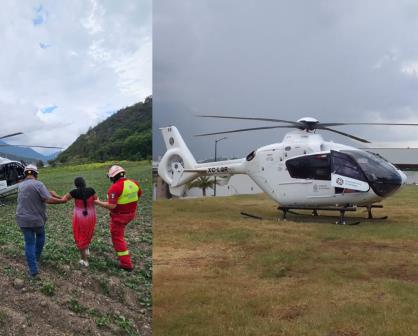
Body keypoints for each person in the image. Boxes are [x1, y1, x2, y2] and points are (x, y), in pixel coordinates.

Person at [16, 164, 65, 277]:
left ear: (25, 174)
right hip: (36, 220)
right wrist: (62, 200)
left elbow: (33, 190)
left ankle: (32, 270)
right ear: (36, 174)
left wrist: (48, 192)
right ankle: (36, 257)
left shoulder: (20, 185)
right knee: (40, 237)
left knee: (29, 243)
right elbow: (48, 199)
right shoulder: (39, 184)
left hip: (22, 219)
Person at [95, 165, 142, 271]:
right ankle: (124, 258)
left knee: (117, 238)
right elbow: (138, 195)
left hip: (119, 217)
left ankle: (126, 264)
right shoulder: (134, 183)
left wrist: (98, 202)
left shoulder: (115, 188)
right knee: (120, 235)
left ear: (113, 177)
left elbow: (112, 206)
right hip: (131, 214)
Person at [60, 177, 97, 267]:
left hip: (80, 218)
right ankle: (87, 249)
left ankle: (84, 260)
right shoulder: (91, 190)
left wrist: (54, 195)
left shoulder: (74, 192)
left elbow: (63, 199)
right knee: (88, 232)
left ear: (75, 184)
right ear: (84, 183)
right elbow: (96, 200)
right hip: (91, 216)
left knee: (79, 236)